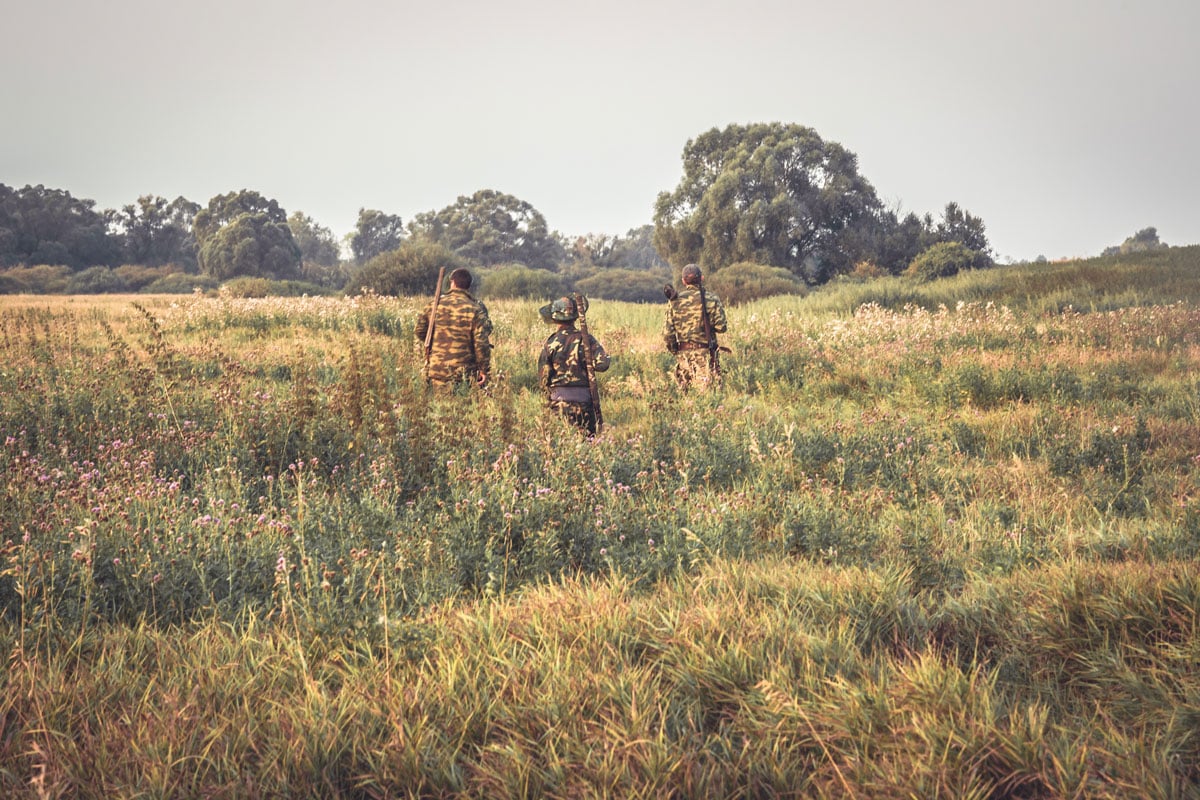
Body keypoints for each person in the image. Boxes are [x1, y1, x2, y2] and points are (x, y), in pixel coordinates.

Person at [538, 296, 610, 436]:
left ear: (555, 318)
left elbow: (543, 380)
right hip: (584, 404)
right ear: (575, 317)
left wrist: (548, 403)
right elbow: (603, 364)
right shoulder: (587, 339)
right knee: (587, 445)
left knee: (562, 448)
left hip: (558, 404)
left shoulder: (551, 343)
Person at [414, 267, 492, 391]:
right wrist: (483, 369)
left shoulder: (433, 305)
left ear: (452, 282)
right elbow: (481, 343)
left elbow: (420, 331)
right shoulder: (475, 309)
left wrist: (438, 342)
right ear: (468, 286)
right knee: (463, 408)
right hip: (464, 374)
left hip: (437, 371)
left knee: (437, 408)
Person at [663, 263, 728, 390]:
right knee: (706, 396)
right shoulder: (711, 299)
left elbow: (667, 334)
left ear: (683, 281)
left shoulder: (674, 301)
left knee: (685, 396)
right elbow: (722, 327)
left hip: (683, 355)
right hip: (705, 354)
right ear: (702, 278)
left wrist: (675, 351)